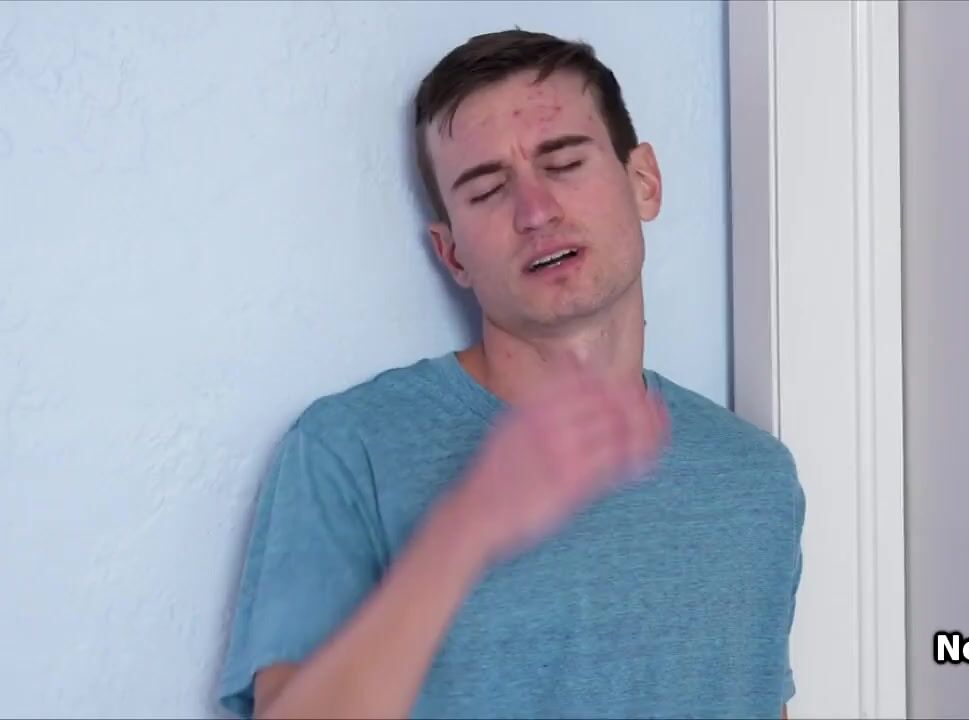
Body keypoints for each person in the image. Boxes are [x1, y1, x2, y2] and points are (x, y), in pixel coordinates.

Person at [216, 28, 805, 720]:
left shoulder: (755, 480)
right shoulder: (348, 451)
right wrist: (466, 527)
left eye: (565, 163)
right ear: (452, 254)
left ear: (643, 181)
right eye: (489, 189)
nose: (535, 212)